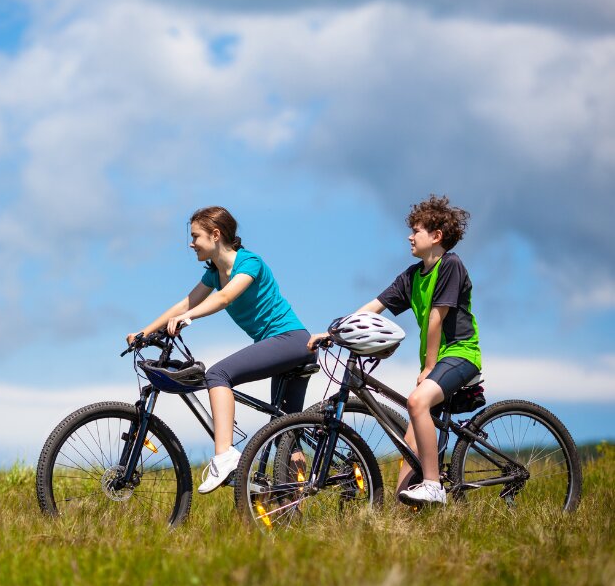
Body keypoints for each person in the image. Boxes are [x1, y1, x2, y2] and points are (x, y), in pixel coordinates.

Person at [308, 194, 482, 506]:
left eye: (416, 231)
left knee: (416, 402)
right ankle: (405, 513)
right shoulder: (412, 276)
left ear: (436, 236)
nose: (409, 237)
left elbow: (436, 319)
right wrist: (333, 332)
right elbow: (374, 307)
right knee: (409, 453)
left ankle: (433, 485)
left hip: (460, 354)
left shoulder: (450, 265)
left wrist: (429, 367)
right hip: (436, 362)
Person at [128, 206, 315, 494]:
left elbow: (226, 297)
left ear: (215, 235)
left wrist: (189, 317)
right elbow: (185, 303)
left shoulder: (249, 262)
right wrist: (145, 331)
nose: (191, 244)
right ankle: (293, 504)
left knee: (218, 375)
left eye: (195, 236)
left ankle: (225, 455)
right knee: (285, 434)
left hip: (290, 340)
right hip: (280, 346)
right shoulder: (215, 274)